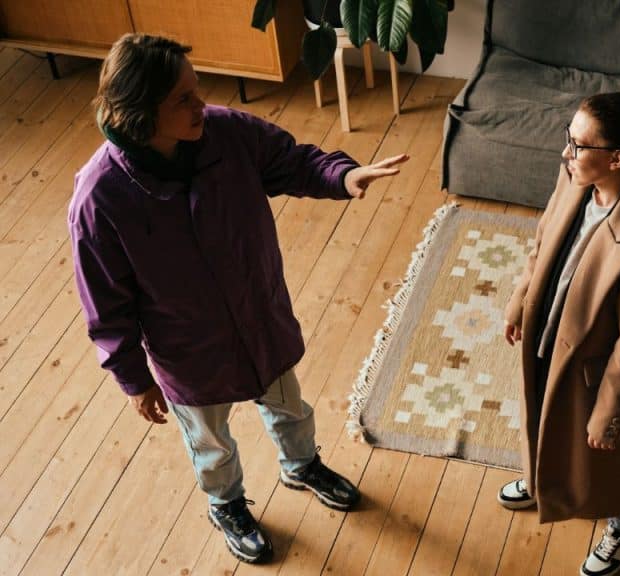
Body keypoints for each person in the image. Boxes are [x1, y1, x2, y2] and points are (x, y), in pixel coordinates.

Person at [68, 34, 408, 564]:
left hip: (259, 314)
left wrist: (344, 176)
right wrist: (133, 380)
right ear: (139, 111)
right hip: (188, 349)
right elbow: (105, 306)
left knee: (289, 406)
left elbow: (292, 162)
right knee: (211, 441)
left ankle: (301, 466)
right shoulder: (99, 197)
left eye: (195, 90)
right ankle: (225, 503)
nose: (200, 104)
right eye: (182, 99)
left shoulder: (225, 132)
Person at [499, 92, 620, 576]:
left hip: (596, 365)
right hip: (554, 329)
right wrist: (521, 300)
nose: (566, 153)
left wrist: (611, 416)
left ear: (617, 158)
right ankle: (541, 480)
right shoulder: (577, 178)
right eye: (568, 139)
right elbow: (543, 240)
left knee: (610, 457)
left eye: (579, 145)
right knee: (544, 413)